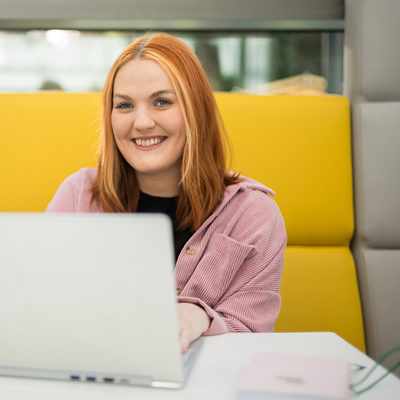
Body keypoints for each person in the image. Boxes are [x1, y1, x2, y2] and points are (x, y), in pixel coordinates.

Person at [47, 32, 287, 353]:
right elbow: (43, 305)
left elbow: (250, 334)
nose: (142, 122)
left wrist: (199, 316)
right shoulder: (78, 196)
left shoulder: (253, 215)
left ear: (195, 111)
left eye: (162, 102)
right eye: (124, 105)